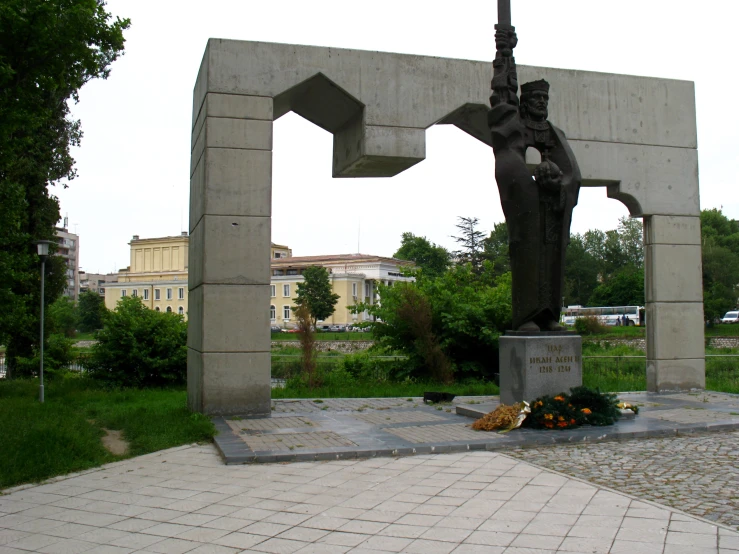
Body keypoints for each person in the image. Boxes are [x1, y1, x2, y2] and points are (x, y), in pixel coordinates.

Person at [488, 25, 581, 332]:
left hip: (552, 210)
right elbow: (508, 155)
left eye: (545, 99)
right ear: (525, 102)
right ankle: (527, 316)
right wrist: (505, 54)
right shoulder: (517, 126)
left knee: (553, 259)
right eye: (536, 98)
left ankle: (548, 315)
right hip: (528, 211)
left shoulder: (555, 134)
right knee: (528, 257)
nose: (541, 103)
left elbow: (572, 172)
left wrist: (557, 186)